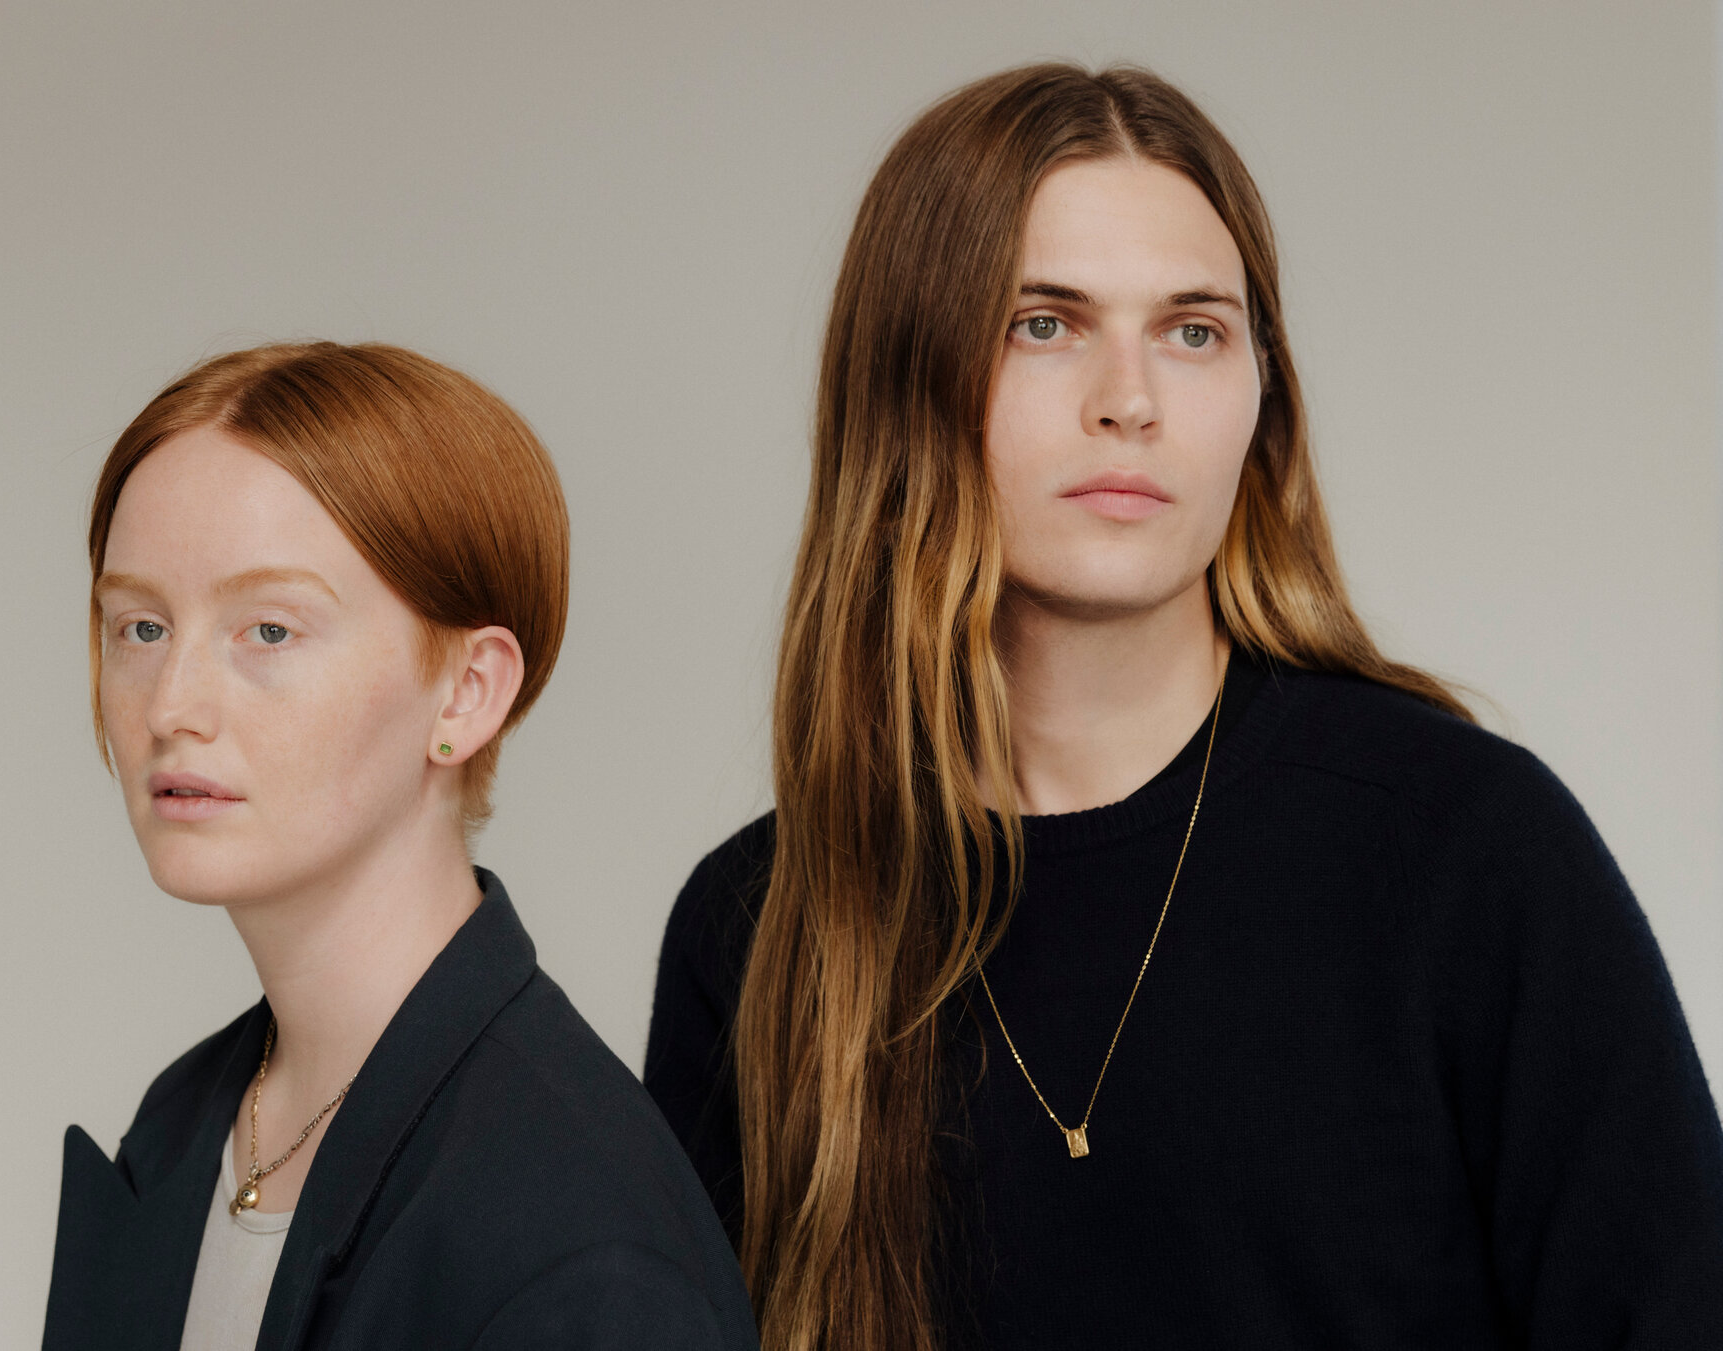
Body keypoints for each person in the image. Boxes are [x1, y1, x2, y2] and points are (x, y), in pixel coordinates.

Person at [644, 64, 1723, 1350]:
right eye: (1042, 322)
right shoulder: (762, 928)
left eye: (1193, 329)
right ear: (905, 381)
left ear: (1261, 403)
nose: (1129, 399)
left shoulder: (1465, 852)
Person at [45, 342, 759, 1351]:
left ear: (468, 693)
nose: (171, 706)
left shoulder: (579, 1235)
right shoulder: (185, 1123)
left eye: (271, 631)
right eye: (141, 628)